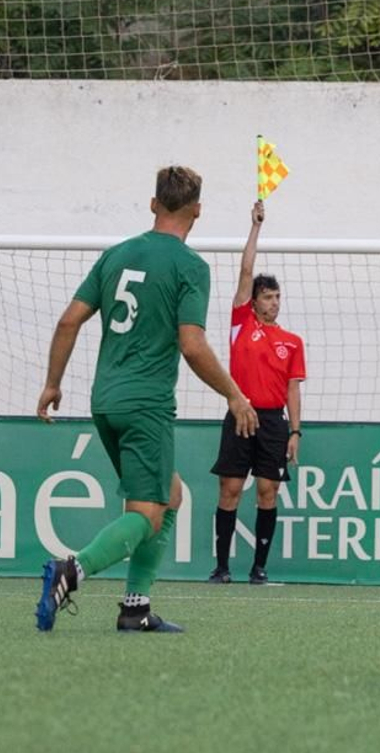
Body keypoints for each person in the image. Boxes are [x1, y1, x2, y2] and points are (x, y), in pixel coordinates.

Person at [34, 165, 256, 633]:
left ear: (153, 204)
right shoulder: (190, 267)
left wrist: (53, 383)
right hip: (146, 403)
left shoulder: (116, 255)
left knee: (168, 495)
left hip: (105, 401)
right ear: (198, 211)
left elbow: (68, 321)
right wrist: (235, 394)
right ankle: (71, 570)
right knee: (147, 512)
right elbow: (192, 344)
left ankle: (135, 608)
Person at [206, 200, 306, 585]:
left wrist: (295, 431)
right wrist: (255, 227)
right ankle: (221, 567)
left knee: (268, 491)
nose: (274, 302)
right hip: (240, 414)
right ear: (254, 301)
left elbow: (293, 388)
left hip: (273, 422)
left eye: (277, 297)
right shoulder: (241, 323)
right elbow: (246, 269)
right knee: (230, 489)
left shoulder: (292, 341)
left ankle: (259, 567)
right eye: (268, 297)